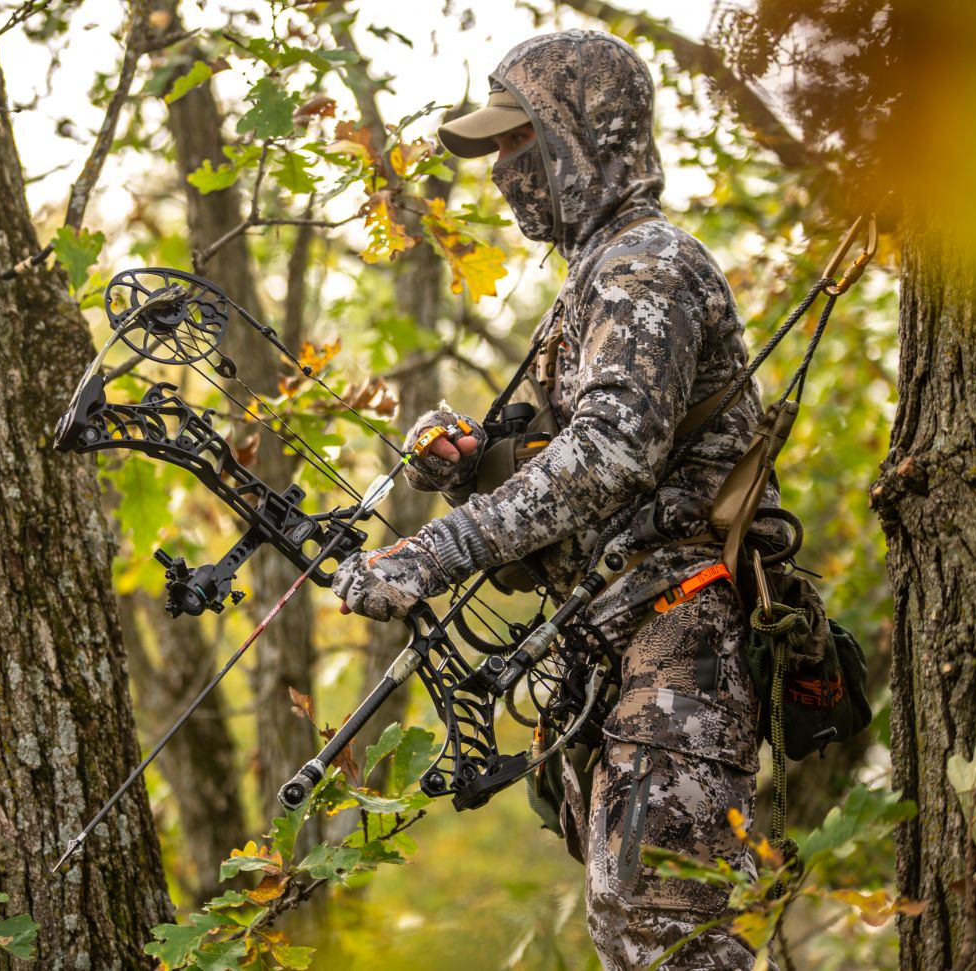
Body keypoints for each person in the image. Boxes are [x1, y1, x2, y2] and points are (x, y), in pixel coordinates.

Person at [330, 29, 774, 971]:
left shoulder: (643, 265)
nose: (500, 173)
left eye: (515, 144)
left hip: (680, 634)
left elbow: (610, 451)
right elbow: (567, 446)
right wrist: (469, 459)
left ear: (579, 138)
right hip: (623, 647)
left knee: (669, 933)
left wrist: (433, 550)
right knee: (642, 930)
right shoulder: (595, 274)